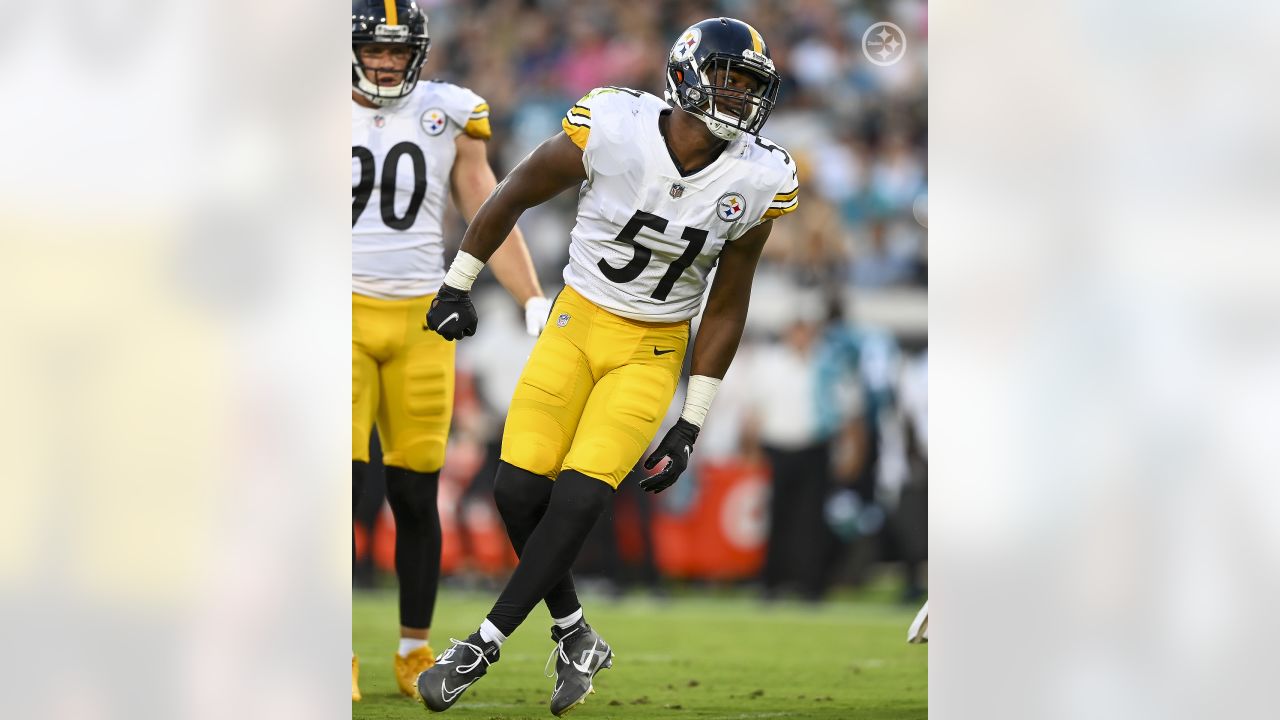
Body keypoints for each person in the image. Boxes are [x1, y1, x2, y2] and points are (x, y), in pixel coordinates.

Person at [417, 17, 799, 716]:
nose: (740, 98)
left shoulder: (758, 175)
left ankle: (482, 642)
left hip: (653, 347)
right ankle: (575, 634)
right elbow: (514, 193)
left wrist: (691, 421)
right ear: (686, 76)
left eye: (751, 86)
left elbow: (727, 303)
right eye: (728, 79)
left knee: (582, 495)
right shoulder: (616, 126)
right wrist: (457, 281)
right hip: (575, 322)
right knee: (514, 491)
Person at [350, 0, 550, 702]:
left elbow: (484, 204)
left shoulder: (449, 112)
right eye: (375, 49)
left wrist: (530, 295)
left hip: (421, 318)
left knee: (413, 491)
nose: (385, 63)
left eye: (398, 52)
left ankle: (413, 647)